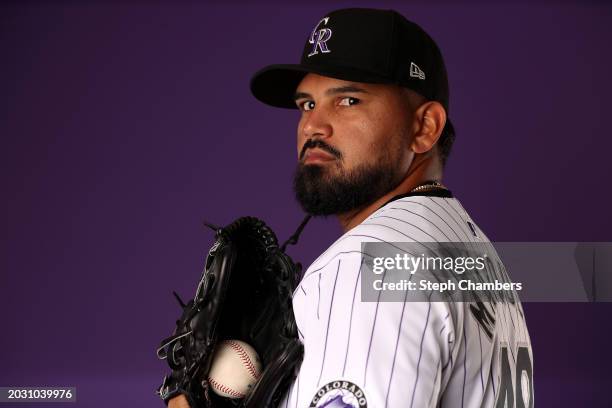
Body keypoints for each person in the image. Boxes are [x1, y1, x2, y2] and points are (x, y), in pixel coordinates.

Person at [170, 7, 533, 408]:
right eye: (307, 104)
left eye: (348, 99)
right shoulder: (480, 260)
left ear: (424, 127)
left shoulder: (366, 265)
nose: (313, 126)